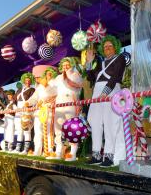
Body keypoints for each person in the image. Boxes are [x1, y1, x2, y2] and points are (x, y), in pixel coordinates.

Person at [85, 35, 127, 166]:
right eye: (105, 47)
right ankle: (96, 154)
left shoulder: (120, 58)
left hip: (111, 91)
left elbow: (115, 77)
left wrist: (105, 93)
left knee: (110, 123)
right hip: (97, 93)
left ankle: (109, 156)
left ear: (115, 47)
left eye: (110, 46)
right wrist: (89, 62)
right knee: (95, 122)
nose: (107, 48)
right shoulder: (102, 63)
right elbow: (91, 77)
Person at [47, 57, 83, 161]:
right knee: (58, 129)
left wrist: (67, 76)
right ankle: (58, 152)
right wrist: (49, 77)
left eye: (67, 65)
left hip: (70, 103)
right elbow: (51, 87)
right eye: (63, 65)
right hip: (59, 104)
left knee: (72, 128)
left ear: (71, 65)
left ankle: (73, 153)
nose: (65, 67)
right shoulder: (58, 77)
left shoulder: (76, 75)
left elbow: (78, 86)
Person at [12, 73, 35, 154]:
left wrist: (27, 108)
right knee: (19, 130)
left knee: (26, 130)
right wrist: (14, 107)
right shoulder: (19, 90)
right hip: (18, 111)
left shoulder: (32, 90)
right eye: (26, 80)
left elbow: (33, 101)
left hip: (27, 110)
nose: (27, 82)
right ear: (23, 81)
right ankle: (18, 149)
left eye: (29, 80)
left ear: (31, 81)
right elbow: (14, 100)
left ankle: (26, 150)